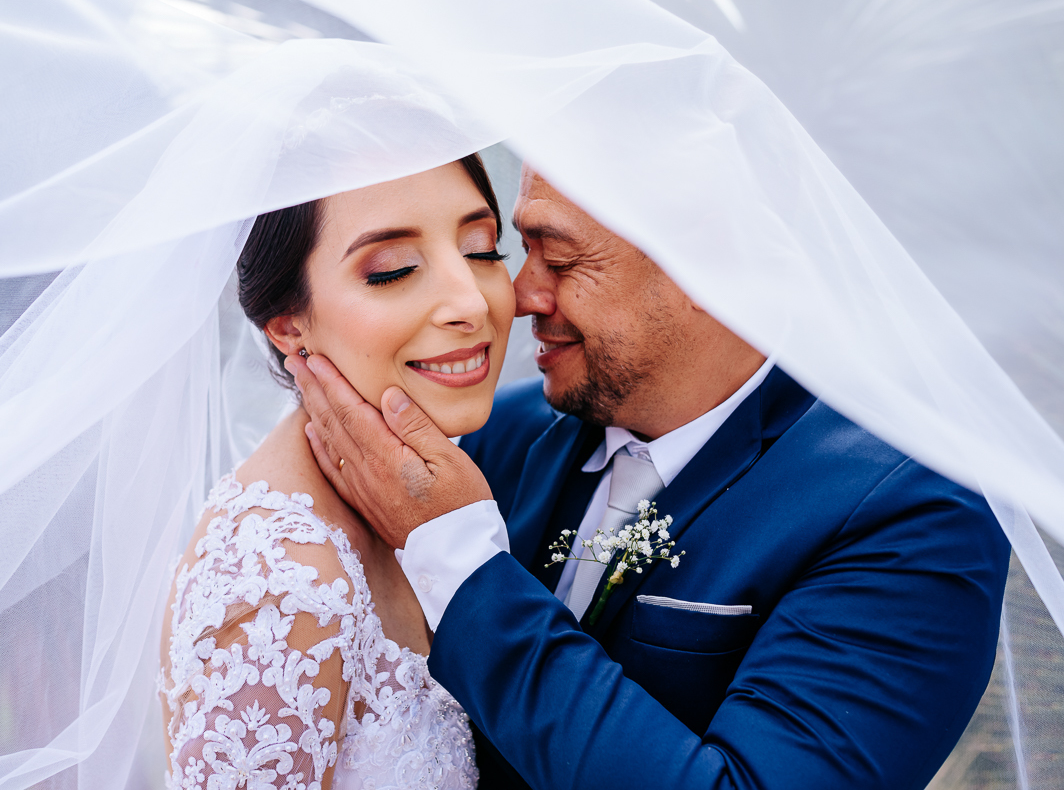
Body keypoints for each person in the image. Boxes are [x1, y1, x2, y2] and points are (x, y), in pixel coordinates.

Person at [288, 165, 1012, 789]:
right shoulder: (491, 438)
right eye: (515, 250)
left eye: (561, 261)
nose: (516, 295)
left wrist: (463, 561)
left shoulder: (913, 512)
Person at [158, 155, 515, 789]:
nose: (471, 302)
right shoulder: (280, 578)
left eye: (483, 251)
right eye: (394, 270)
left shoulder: (444, 491)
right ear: (288, 326)